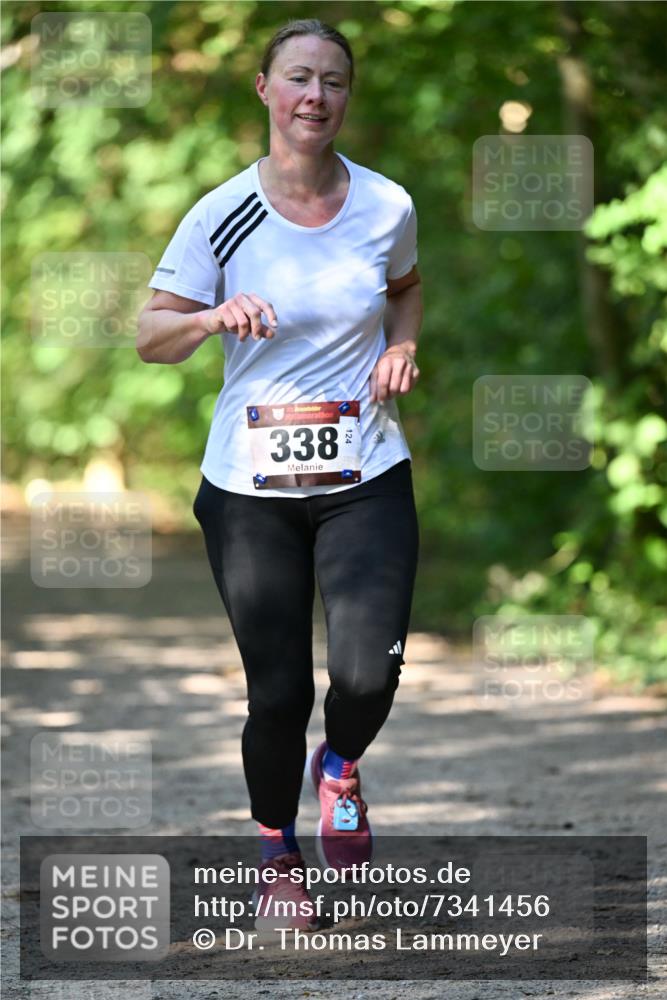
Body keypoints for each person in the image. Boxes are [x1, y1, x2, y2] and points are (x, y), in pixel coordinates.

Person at [137, 18, 422, 933]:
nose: (315, 96)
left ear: (347, 97)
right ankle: (277, 863)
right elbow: (151, 336)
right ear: (263, 89)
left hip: (365, 470)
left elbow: (405, 285)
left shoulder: (385, 205)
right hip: (249, 490)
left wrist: (402, 344)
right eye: (298, 77)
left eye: (332, 81)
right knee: (277, 692)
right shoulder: (221, 213)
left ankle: (338, 769)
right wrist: (214, 318)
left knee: (366, 675)